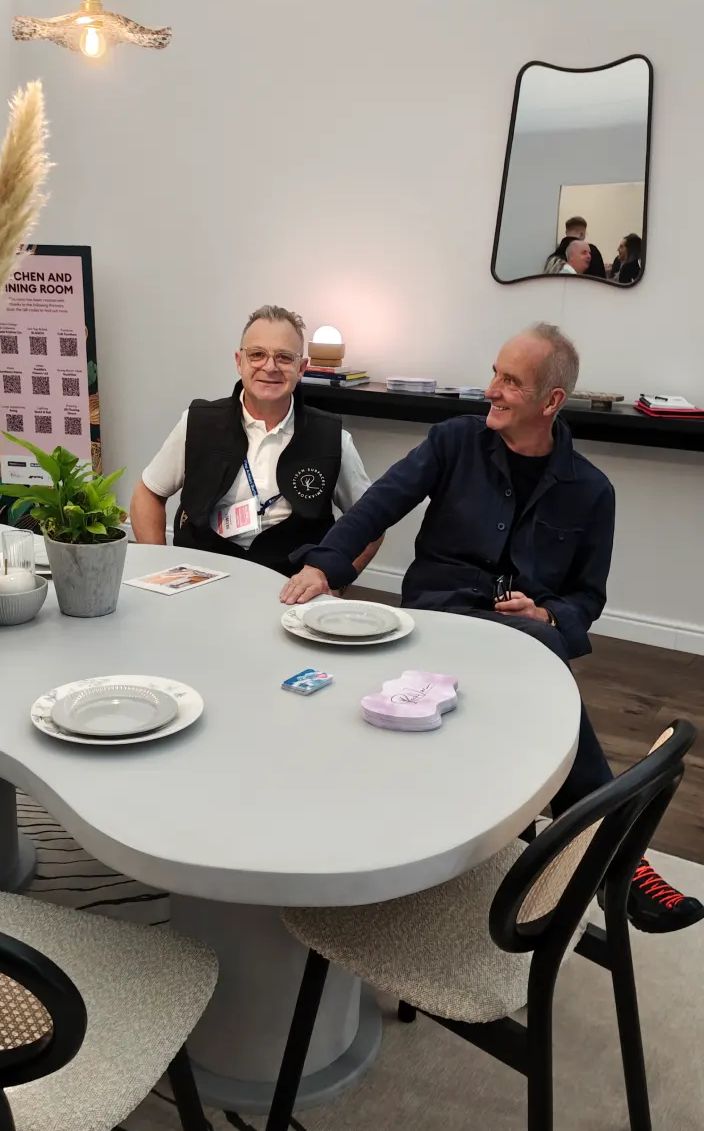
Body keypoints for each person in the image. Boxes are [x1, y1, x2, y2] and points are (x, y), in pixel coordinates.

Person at [281, 323, 703, 935]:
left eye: (511, 381)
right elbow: (379, 504)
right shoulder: (453, 442)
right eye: (496, 374)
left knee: (534, 648)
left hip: (524, 633)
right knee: (537, 673)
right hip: (440, 614)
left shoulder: (591, 492)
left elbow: (588, 596)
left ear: (550, 402)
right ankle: (618, 856)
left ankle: (586, 850)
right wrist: (324, 565)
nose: (493, 390)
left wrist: (551, 615)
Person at [130, 304, 382, 578]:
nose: (270, 367)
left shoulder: (333, 438)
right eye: (257, 354)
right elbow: (148, 493)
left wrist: (333, 582)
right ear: (239, 362)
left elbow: (371, 523)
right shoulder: (196, 422)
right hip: (200, 575)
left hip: (290, 585)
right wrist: (161, 568)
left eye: (284, 357)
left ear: (302, 368)